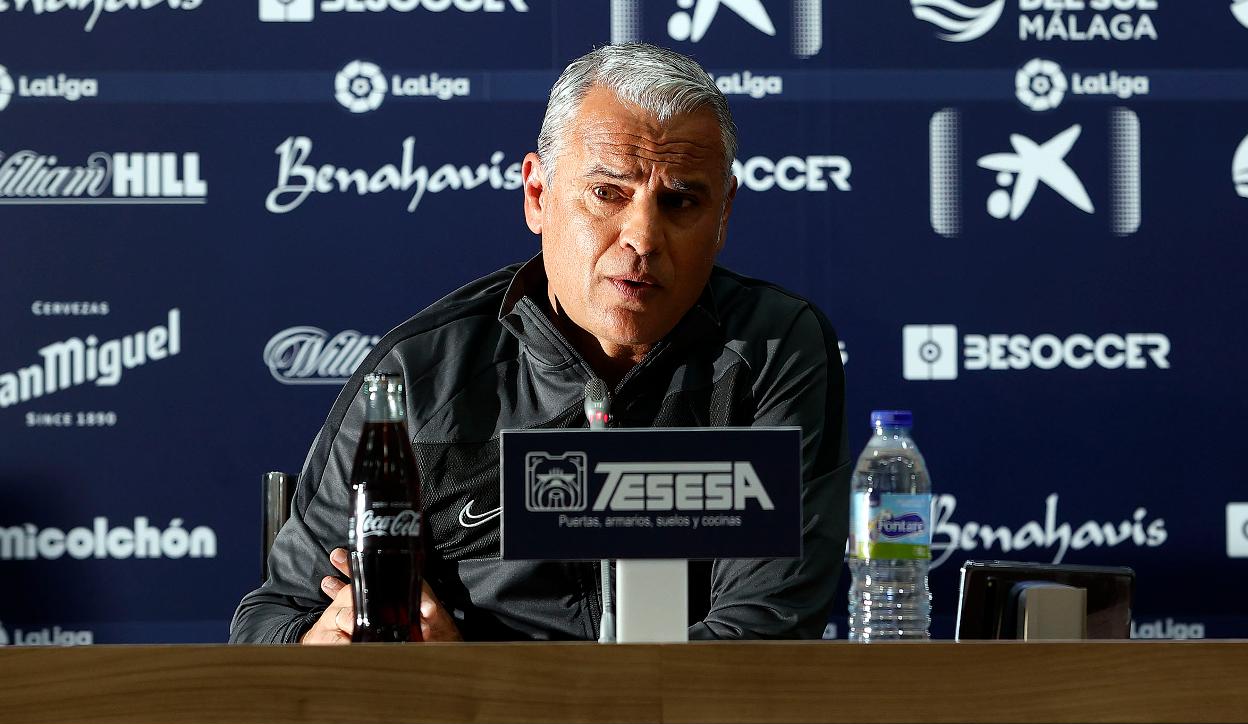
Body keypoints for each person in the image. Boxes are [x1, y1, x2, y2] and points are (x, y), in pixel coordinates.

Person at [230, 42, 850, 644]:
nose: (643, 237)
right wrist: (320, 639)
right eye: (608, 193)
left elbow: (763, 634)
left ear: (723, 217)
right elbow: (270, 619)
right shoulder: (421, 375)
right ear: (537, 195)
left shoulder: (772, 347)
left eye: (680, 201)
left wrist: (483, 681)